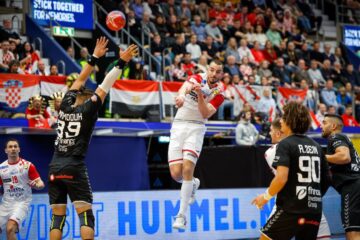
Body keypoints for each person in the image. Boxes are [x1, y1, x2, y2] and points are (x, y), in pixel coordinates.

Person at [48, 37, 138, 240]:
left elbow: (80, 79)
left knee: (57, 218)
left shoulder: (64, 104)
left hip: (55, 166)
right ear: (87, 98)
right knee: (85, 216)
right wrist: (121, 62)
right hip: (74, 166)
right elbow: (106, 84)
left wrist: (95, 56)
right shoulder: (89, 108)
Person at [252, 101, 330, 240]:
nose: (280, 120)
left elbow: (281, 178)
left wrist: (265, 198)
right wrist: (312, 196)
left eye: (283, 116)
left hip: (292, 209)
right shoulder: (317, 146)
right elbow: (327, 180)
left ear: (289, 120)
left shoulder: (285, 144)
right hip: (314, 210)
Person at [169, 60, 225, 229]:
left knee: (187, 169)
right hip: (179, 124)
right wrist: (180, 96)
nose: (214, 74)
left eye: (218, 72)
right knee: (176, 174)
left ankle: (181, 216)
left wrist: (201, 95)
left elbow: (205, 113)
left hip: (196, 127)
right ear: (208, 70)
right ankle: (193, 183)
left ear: (222, 75)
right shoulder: (196, 78)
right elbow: (185, 87)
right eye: (212, 70)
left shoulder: (219, 93)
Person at [321, 114, 360, 240]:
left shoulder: (335, 137)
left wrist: (321, 157)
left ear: (333, 126)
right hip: (355, 185)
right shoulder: (344, 138)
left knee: (352, 232)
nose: (321, 126)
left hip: (352, 187)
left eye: (324, 123)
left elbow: (344, 157)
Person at [0, 139, 44, 240]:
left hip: (22, 203)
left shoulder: (27, 166)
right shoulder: (1, 168)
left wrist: (36, 185)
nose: (13, 149)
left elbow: (41, 183)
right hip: (6, 204)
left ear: (19, 149)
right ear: (6, 150)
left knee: (10, 228)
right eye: (10, 147)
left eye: (15, 146)